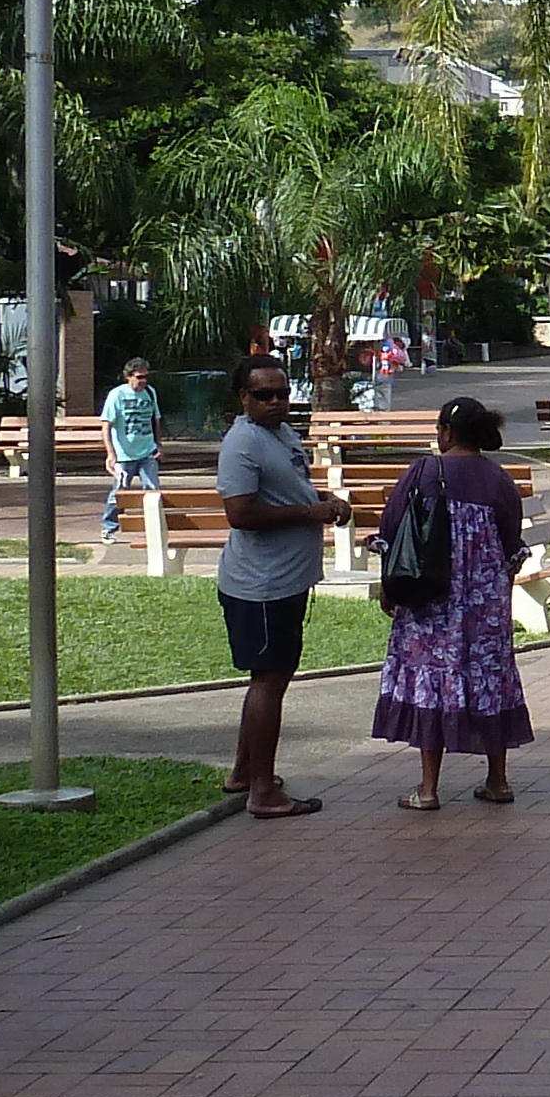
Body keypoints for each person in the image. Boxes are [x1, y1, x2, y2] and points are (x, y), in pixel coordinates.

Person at [371, 395, 534, 807]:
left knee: (432, 685)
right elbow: (512, 546)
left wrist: (389, 589)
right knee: (491, 681)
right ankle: (498, 781)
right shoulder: (498, 480)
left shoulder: (423, 472)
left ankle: (428, 789)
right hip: (484, 610)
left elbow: (390, 532)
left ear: (444, 432)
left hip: (429, 604)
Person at [216, 348, 336, 818]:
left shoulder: (282, 434)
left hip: (288, 580)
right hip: (260, 585)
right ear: (244, 397)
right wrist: (310, 512)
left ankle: (245, 771)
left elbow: (289, 489)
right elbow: (240, 513)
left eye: (283, 394)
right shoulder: (241, 444)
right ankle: (262, 792)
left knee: (271, 678)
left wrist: (321, 500)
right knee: (268, 682)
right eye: (264, 395)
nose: (276, 402)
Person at [99, 355, 165, 544]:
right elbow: (106, 426)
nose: (143, 381)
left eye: (145, 377)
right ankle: (109, 527)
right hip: (124, 454)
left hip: (147, 452)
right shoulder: (117, 395)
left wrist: (159, 445)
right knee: (120, 492)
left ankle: (154, 528)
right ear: (128, 376)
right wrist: (111, 454)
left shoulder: (150, 393)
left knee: (153, 491)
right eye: (139, 377)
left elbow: (156, 420)